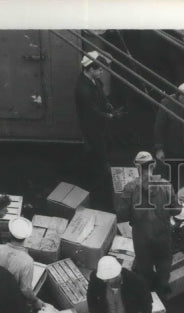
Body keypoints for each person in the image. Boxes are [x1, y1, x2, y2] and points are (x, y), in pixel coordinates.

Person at [117, 151, 179, 298]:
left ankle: (148, 294)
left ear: (136, 167)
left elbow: (122, 215)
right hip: (163, 234)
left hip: (141, 235)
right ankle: (163, 287)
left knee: (144, 265)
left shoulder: (130, 188)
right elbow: (176, 210)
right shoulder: (166, 185)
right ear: (154, 165)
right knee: (164, 261)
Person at [74, 51, 121, 201]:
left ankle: (100, 167)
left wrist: (109, 106)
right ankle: (97, 185)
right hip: (91, 127)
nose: (101, 72)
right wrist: (109, 115)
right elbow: (91, 111)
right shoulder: (83, 89)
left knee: (104, 146)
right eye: (99, 69)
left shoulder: (95, 81)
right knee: (97, 151)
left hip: (100, 125)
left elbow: (102, 97)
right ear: (90, 69)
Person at [0, 217, 40, 305]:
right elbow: (25, 290)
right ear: (26, 237)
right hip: (10, 301)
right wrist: (36, 300)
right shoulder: (27, 261)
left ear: (9, 233)